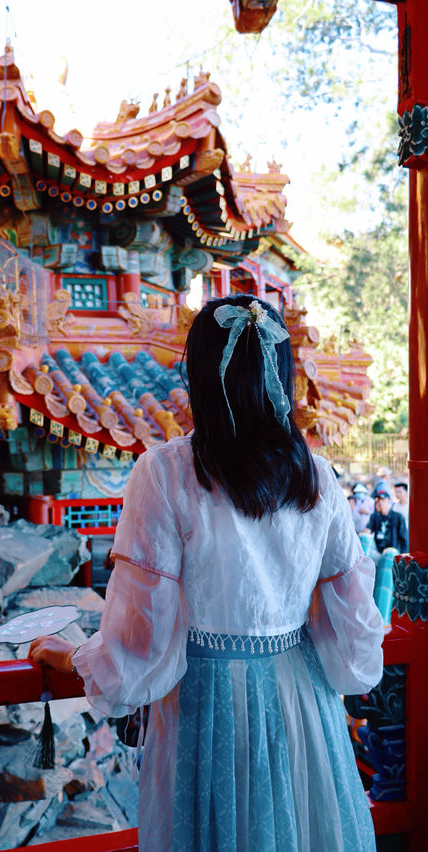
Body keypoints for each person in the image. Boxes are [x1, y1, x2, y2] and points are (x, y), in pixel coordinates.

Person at [29, 295, 384, 851]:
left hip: (209, 710)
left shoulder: (165, 473)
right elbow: (355, 639)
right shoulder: (316, 477)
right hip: (301, 706)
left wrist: (69, 654)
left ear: (198, 371)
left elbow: (140, 648)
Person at [366, 490, 409, 556]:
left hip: (394, 554)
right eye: (378, 500)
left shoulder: (398, 517)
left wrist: (403, 557)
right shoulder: (374, 516)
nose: (380, 502)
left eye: (382, 499)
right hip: (379, 553)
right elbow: (368, 530)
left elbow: (404, 539)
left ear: (389, 500)